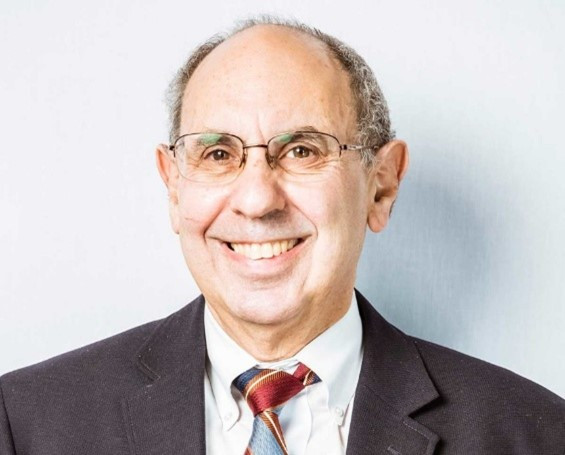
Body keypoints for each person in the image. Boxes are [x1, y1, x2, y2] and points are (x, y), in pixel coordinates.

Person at [1, 17, 563, 455]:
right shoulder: (28, 424)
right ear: (173, 186)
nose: (256, 200)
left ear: (381, 186)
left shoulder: (533, 435)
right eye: (217, 154)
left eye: (301, 150)